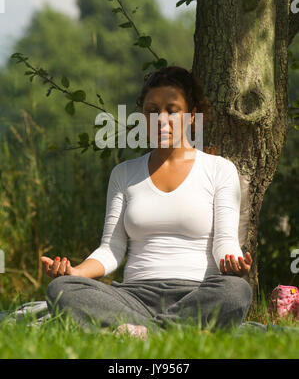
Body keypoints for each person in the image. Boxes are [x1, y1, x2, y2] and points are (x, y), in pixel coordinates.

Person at [41, 66, 253, 339]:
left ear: (191, 116)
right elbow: (111, 249)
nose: (161, 120)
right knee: (62, 289)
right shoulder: (124, 174)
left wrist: (233, 263)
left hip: (197, 295)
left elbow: (226, 242)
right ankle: (180, 333)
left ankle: (139, 333)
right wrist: (75, 271)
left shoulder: (218, 169)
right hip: (134, 296)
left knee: (236, 290)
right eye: (152, 111)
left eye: (172, 110)